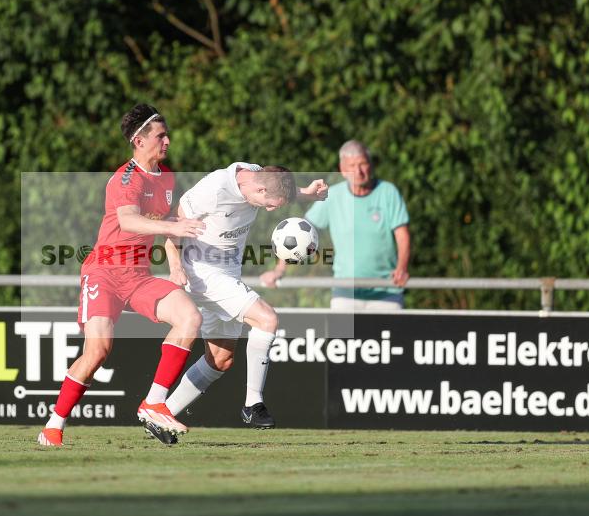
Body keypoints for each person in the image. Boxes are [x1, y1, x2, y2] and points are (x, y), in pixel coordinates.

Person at [38, 104, 206, 447]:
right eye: (160, 136)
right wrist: (172, 226)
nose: (167, 141)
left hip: (138, 276)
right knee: (98, 352)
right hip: (103, 272)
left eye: (167, 135)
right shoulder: (126, 179)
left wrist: (175, 267)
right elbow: (129, 220)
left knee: (190, 318)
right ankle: (53, 426)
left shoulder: (167, 177)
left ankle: (154, 402)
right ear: (139, 141)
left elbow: (166, 229)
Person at [151, 163, 327, 442]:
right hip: (202, 273)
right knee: (267, 318)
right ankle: (253, 404)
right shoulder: (214, 189)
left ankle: (160, 416)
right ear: (260, 190)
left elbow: (277, 189)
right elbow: (173, 224)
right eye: (270, 204)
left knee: (220, 360)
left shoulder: (258, 176)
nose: (270, 209)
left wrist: (307, 193)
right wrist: (175, 267)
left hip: (228, 274)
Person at [260, 140, 410, 310]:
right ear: (342, 169)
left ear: (371, 165)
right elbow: (295, 234)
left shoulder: (388, 192)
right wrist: (279, 270)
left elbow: (402, 235)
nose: (358, 171)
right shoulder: (333, 196)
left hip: (386, 291)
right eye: (352, 165)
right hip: (345, 292)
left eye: (363, 164)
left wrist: (402, 268)